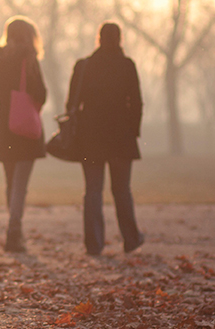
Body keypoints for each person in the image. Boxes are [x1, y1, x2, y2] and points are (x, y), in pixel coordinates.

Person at [65, 22, 144, 255]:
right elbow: (137, 102)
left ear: (98, 38)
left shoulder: (84, 66)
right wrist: (133, 131)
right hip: (121, 137)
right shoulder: (127, 66)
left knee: (93, 191)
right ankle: (131, 238)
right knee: (122, 190)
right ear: (119, 39)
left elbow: (71, 102)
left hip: (90, 138)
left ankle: (94, 244)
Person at [0, 16, 47, 253]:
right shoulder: (29, 57)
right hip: (26, 126)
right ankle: (14, 231)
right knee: (20, 184)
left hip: (5, 126)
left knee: (11, 181)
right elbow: (42, 93)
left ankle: (15, 230)